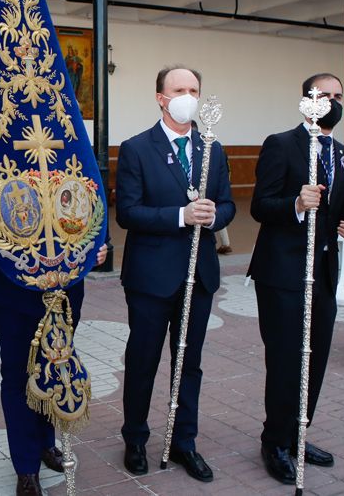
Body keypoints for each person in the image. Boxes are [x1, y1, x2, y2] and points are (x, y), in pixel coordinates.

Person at [115, 65, 236, 483]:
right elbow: (128, 213)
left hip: (198, 274)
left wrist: (214, 213)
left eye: (195, 89)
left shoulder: (211, 148)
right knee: (143, 359)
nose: (188, 96)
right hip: (152, 276)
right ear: (160, 97)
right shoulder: (136, 149)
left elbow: (228, 203)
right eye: (179, 89)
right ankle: (134, 438)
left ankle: (184, 441)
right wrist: (180, 215)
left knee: (189, 363)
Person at [248, 72, 344, 485]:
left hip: (325, 272)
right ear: (306, 102)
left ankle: (298, 433)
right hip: (283, 273)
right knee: (285, 359)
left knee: (314, 358)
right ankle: (274, 442)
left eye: (338, 96)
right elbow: (261, 206)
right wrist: (296, 203)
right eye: (323, 95)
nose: (331, 101)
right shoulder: (281, 144)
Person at [0, 242, 107, 496]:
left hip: (66, 285)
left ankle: (46, 444)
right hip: (14, 282)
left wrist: (100, 246)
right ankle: (26, 467)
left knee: (54, 367)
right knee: (18, 377)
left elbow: (93, 205)